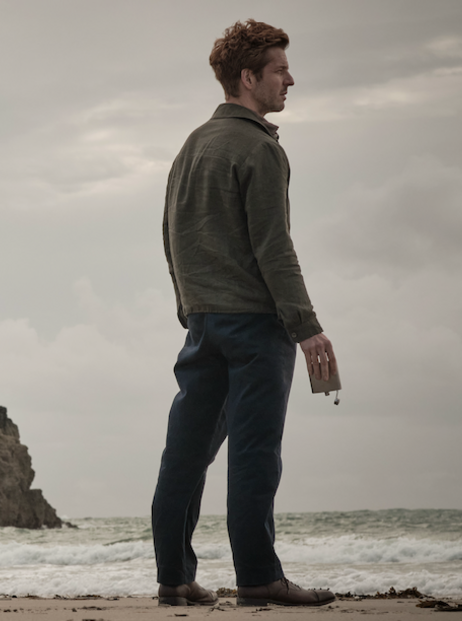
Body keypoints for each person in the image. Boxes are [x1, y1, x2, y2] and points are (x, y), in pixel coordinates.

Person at [151, 19, 338, 607]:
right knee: (255, 455)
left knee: (184, 454)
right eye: (280, 70)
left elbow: (169, 234)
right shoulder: (259, 146)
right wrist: (306, 329)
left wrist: (190, 309)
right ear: (248, 77)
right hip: (257, 326)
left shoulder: (194, 143)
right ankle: (259, 578)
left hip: (203, 323)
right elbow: (274, 248)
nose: (291, 80)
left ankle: (174, 579)